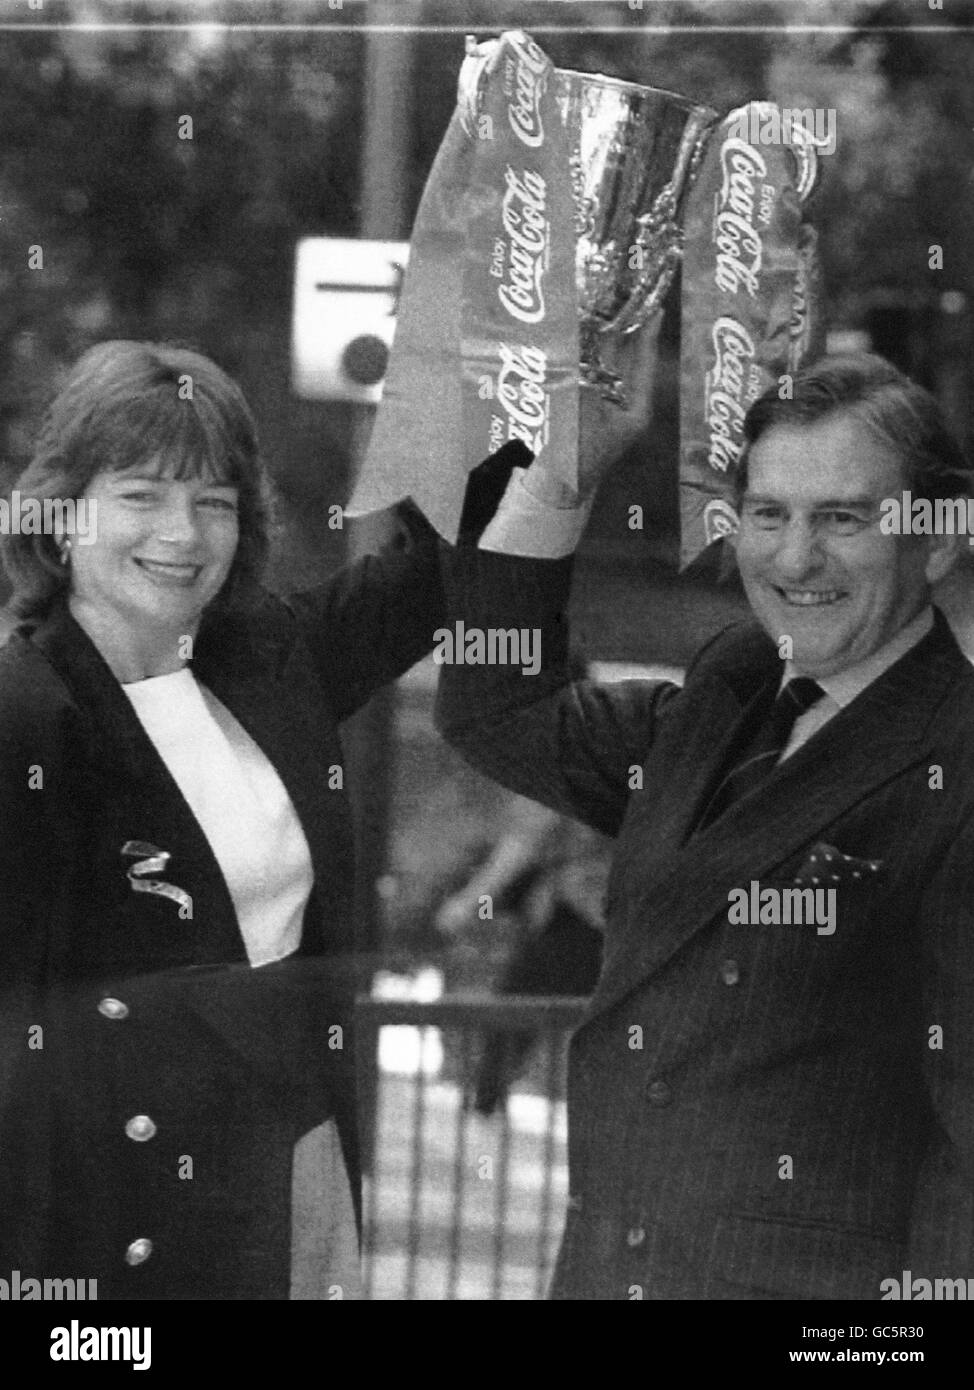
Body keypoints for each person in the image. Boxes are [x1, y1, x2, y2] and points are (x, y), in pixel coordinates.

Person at [435, 353, 974, 1300]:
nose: (794, 558)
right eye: (768, 515)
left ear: (934, 540)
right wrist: (563, 480)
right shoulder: (721, 698)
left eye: (842, 519)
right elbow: (495, 711)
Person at [0, 339, 446, 1300]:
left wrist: (513, 396)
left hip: (299, 1156)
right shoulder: (22, 711)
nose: (183, 532)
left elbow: (443, 575)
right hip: (111, 1227)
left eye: (215, 501)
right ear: (59, 511)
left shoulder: (270, 657)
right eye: (141, 494)